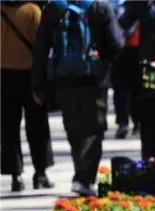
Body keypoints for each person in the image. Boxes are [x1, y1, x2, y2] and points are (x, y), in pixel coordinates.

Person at [31, 0, 123, 196]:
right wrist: (102, 63)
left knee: (75, 131)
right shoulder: (101, 7)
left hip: (65, 80)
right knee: (94, 130)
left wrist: (38, 85)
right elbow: (117, 43)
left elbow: (41, 48)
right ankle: (84, 178)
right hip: (95, 81)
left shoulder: (54, 8)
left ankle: (81, 176)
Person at [1, 0, 54, 191]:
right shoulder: (32, 11)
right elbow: (43, 44)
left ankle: (15, 176)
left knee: (8, 128)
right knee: (38, 125)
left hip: (3, 76)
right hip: (31, 76)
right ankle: (40, 174)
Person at [110, 1, 139, 139]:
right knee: (123, 87)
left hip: (131, 46)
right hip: (124, 47)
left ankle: (130, 121)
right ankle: (126, 122)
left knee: (128, 87)